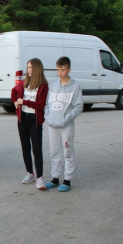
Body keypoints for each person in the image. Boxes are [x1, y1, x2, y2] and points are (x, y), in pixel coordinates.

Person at [44, 56, 83, 192]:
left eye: (63, 69)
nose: (60, 72)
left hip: (66, 126)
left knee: (68, 152)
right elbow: (47, 104)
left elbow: (78, 107)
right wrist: (47, 117)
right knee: (54, 152)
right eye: (58, 69)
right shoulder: (53, 86)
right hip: (52, 125)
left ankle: (67, 180)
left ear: (69, 69)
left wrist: (66, 118)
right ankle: (55, 178)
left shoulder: (75, 87)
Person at [11, 58, 49, 189]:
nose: (29, 70)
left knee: (37, 149)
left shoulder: (43, 86)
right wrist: (16, 101)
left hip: (35, 121)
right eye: (28, 67)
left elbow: (40, 104)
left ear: (37, 69)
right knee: (25, 148)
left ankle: (40, 178)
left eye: (31, 67)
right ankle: (30, 173)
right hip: (23, 119)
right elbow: (13, 92)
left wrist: (24, 102)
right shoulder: (23, 83)